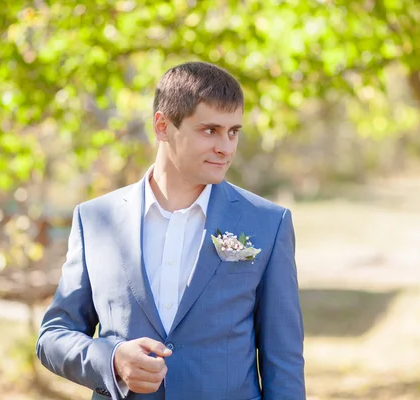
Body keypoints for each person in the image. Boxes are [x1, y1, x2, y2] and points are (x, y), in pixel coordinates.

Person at [36, 61, 305, 400]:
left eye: (233, 131)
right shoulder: (95, 220)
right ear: (163, 126)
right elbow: (53, 336)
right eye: (210, 130)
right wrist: (113, 360)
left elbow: (284, 362)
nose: (226, 147)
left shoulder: (268, 223)